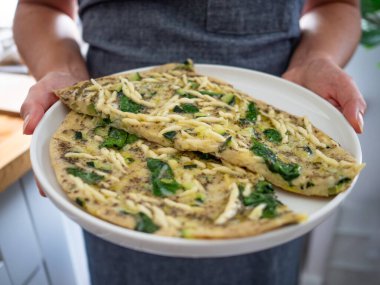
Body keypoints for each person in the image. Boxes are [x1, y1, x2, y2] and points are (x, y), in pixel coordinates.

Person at [13, 0, 366, 284]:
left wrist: (316, 59)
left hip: (279, 106)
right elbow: (43, 6)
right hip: (112, 120)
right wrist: (67, 76)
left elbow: (337, 4)